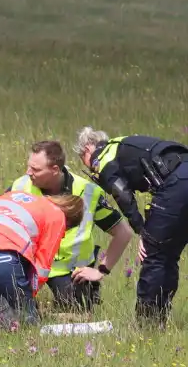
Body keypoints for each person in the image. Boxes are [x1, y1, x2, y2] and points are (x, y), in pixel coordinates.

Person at [75, 128, 188, 328]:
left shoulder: (101, 157)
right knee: (168, 253)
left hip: (176, 183)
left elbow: (122, 194)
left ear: (87, 148)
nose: (93, 171)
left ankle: (148, 325)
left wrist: (143, 232)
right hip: (181, 171)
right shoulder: (122, 144)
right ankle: (160, 318)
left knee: (155, 254)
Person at [6, 140, 133, 313]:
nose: (29, 173)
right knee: (14, 312)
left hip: (70, 273)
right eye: (29, 167)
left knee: (77, 314)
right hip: (29, 266)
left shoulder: (88, 192)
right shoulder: (20, 186)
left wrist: (101, 270)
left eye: (35, 169)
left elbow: (123, 233)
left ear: (55, 170)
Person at [0, 191, 85, 327]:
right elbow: (42, 267)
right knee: (27, 323)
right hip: (0, 258)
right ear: (68, 220)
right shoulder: (57, 215)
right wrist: (28, 299)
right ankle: (4, 311)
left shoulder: (14, 195)